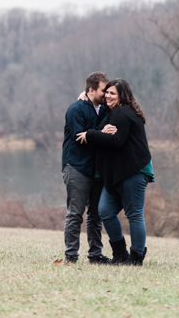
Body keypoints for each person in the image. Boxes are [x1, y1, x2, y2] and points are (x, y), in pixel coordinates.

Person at [77, 78, 153, 266]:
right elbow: (102, 127)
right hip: (117, 174)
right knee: (105, 210)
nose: (108, 96)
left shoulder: (122, 113)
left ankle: (136, 258)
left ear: (122, 96)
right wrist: (86, 97)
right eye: (107, 92)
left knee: (134, 214)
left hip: (133, 171)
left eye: (113, 93)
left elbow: (116, 141)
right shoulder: (113, 113)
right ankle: (120, 254)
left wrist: (91, 134)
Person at [61, 71, 111, 264]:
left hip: (96, 170)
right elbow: (79, 137)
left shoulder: (104, 110)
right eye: (103, 90)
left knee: (95, 215)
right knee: (75, 213)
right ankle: (71, 256)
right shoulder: (76, 109)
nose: (106, 94)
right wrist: (100, 132)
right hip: (76, 167)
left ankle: (95, 255)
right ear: (91, 90)